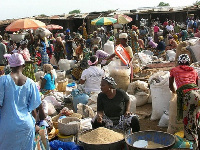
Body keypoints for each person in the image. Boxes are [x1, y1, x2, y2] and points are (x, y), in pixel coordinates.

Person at [0, 53, 41, 150]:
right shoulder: (31, 83)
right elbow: (34, 109)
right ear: (23, 65)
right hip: (27, 126)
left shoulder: (3, 80)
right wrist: (35, 124)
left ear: (10, 66)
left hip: (7, 126)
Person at [169, 54, 200, 149]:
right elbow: (197, 84)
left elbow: (171, 85)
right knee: (196, 118)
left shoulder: (174, 70)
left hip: (188, 96)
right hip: (197, 94)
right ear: (188, 62)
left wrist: (175, 93)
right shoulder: (194, 71)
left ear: (178, 62)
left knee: (188, 121)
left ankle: (193, 145)